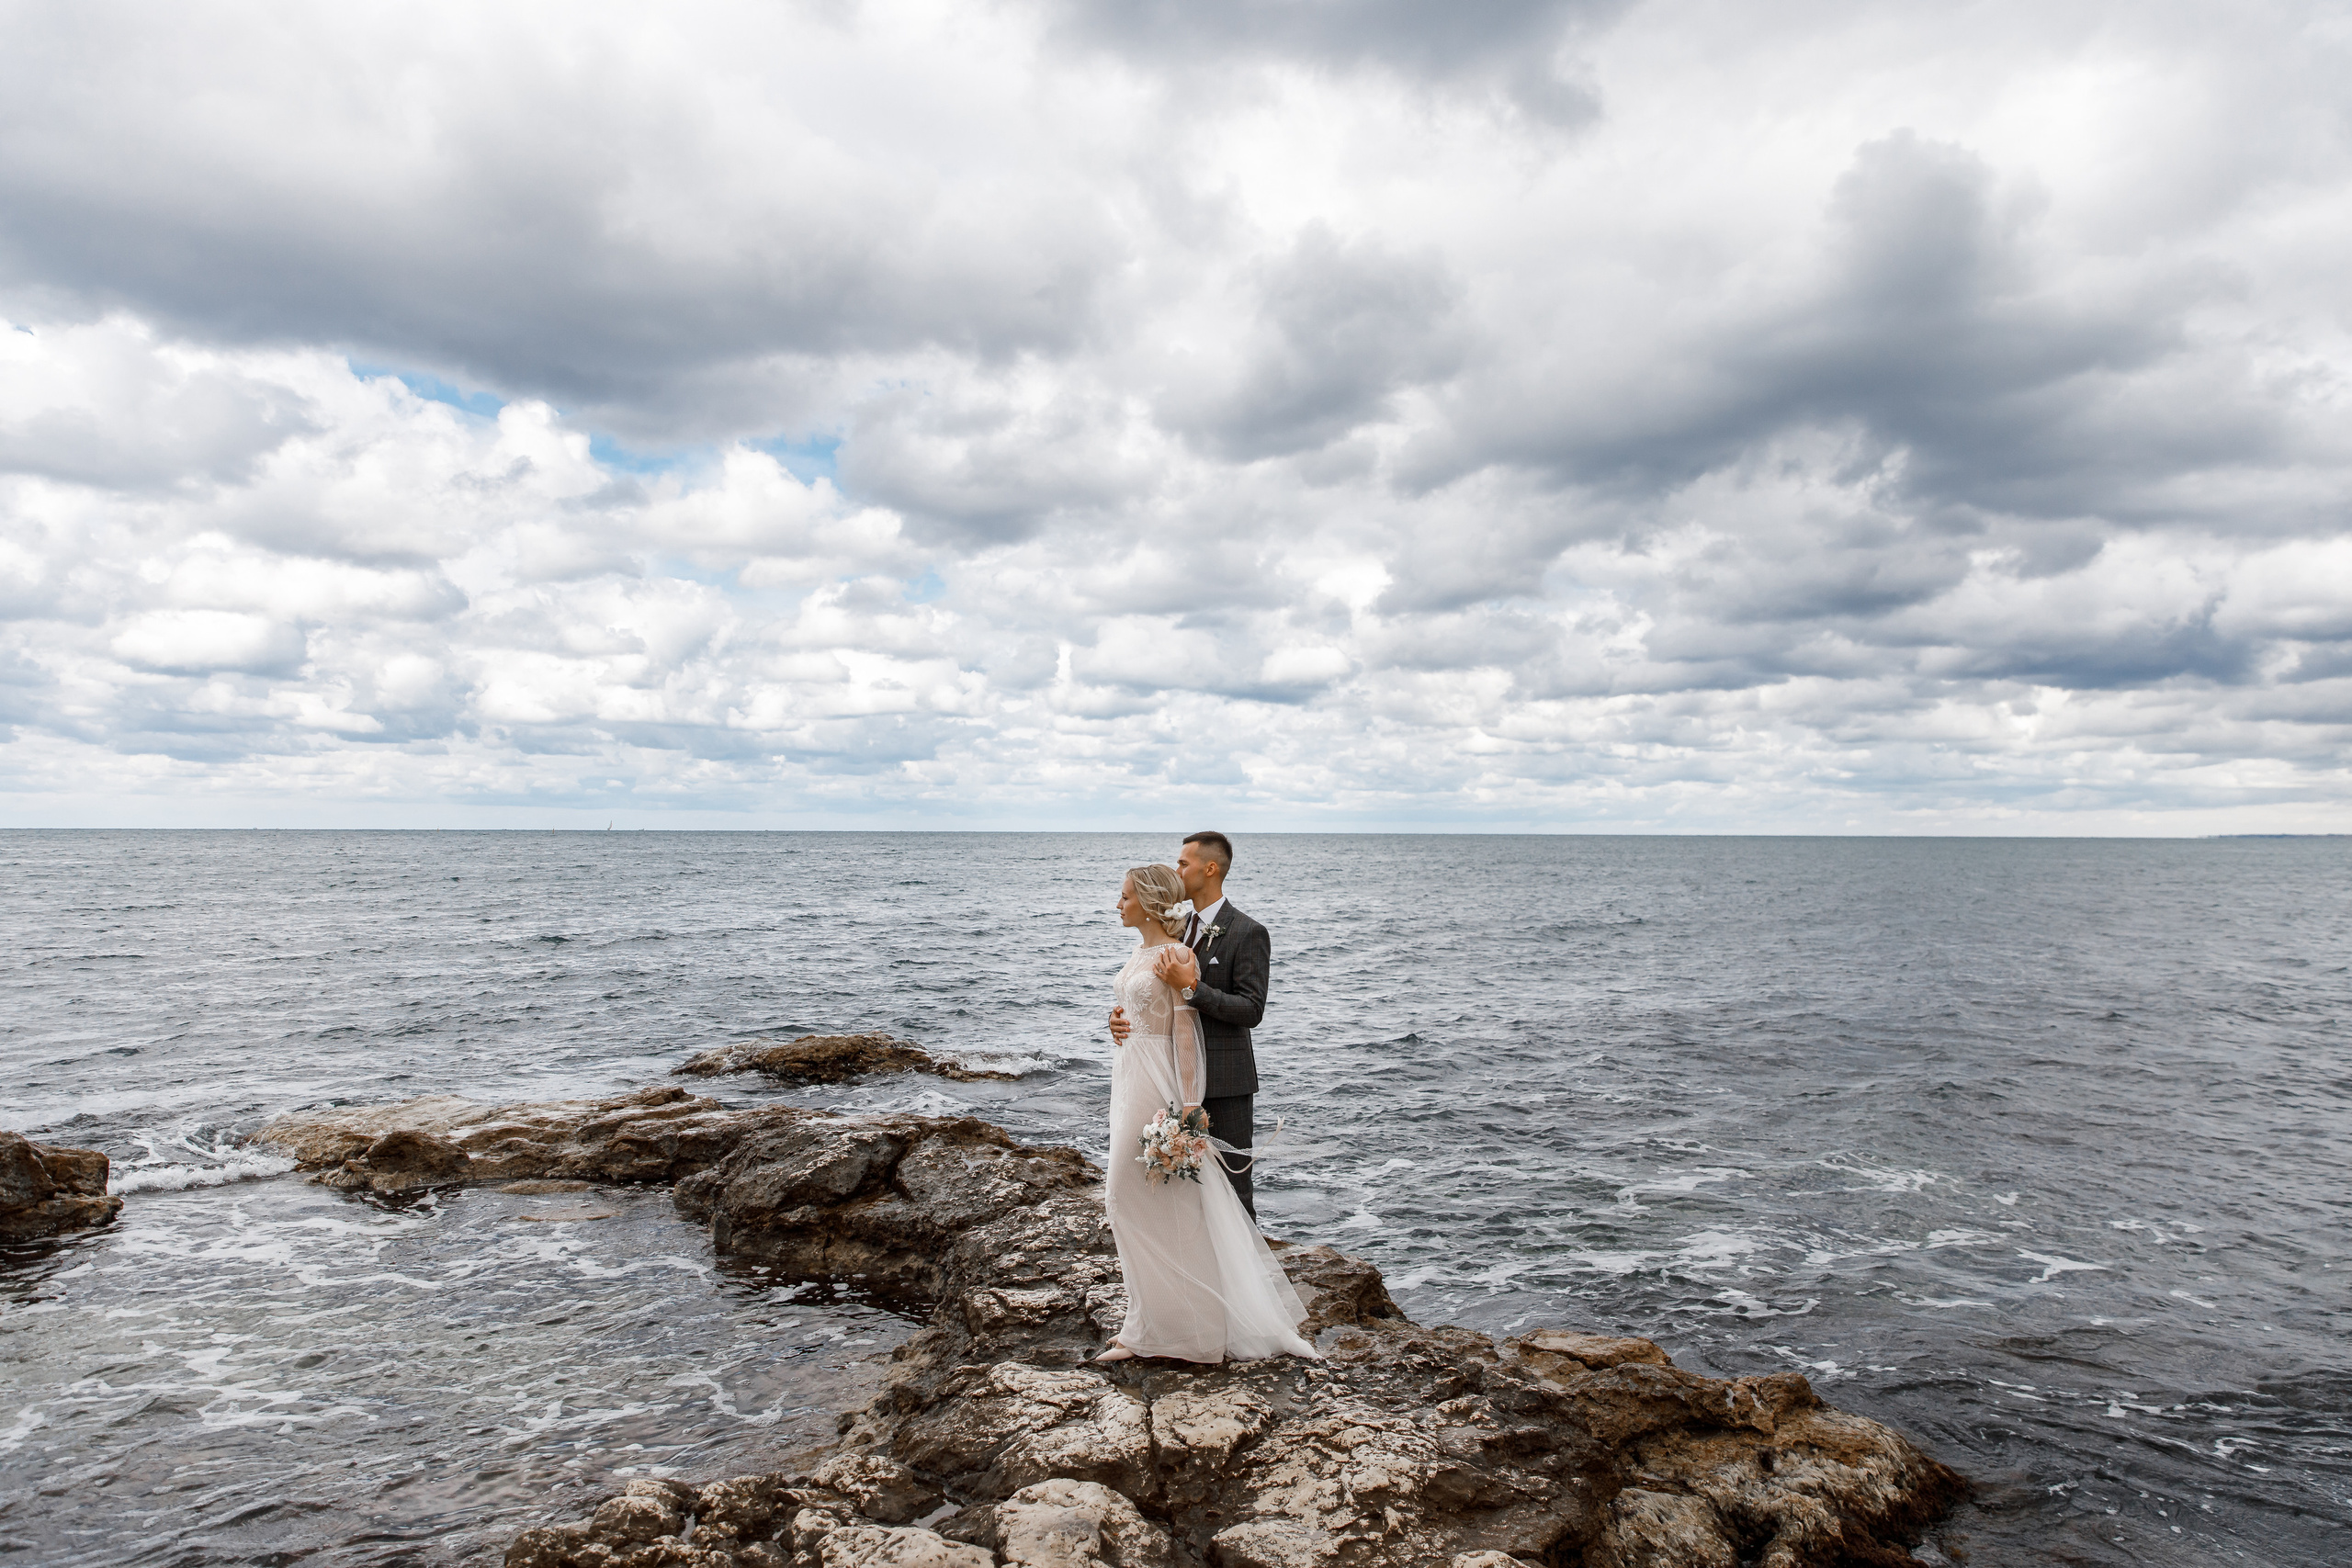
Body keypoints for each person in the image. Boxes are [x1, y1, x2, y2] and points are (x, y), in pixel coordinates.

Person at [1095, 862, 1313, 1364]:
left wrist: (1189, 1112)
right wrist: (1117, 1021)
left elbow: (1186, 1037)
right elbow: (1142, 1010)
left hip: (1156, 1082)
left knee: (1130, 1198)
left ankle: (1185, 1327)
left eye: (1125, 896)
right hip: (1128, 1074)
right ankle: (1145, 1323)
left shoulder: (1177, 954)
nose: (1118, 903)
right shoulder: (1141, 952)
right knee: (1138, 1202)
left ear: (1148, 903)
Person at [1108, 830, 1270, 1218]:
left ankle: (1246, 1275)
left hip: (1223, 1081)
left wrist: (1194, 987)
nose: (1177, 869)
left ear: (1210, 868)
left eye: (1183, 863)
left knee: (1232, 1188)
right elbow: (1153, 996)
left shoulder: (1247, 931)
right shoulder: (1176, 929)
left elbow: (1252, 1009)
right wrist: (1121, 1018)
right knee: (1177, 1189)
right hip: (1166, 1077)